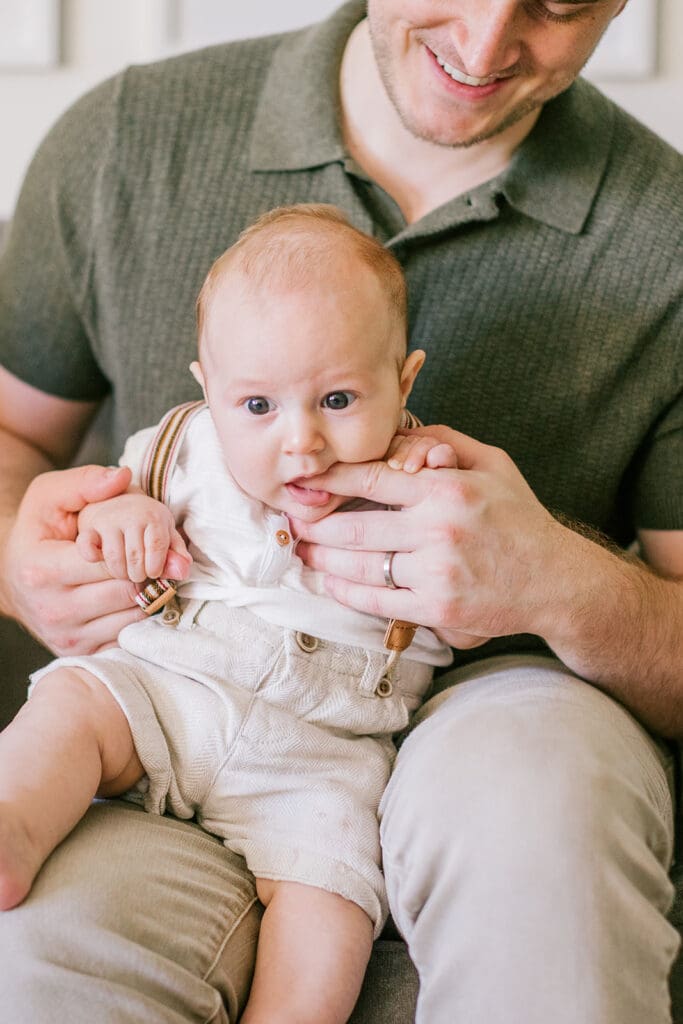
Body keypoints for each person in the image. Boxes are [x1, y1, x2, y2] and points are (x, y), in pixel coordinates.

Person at [0, 2, 680, 1022]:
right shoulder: (128, 140)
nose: (486, 41)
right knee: (44, 943)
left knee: (534, 812)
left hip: (415, 731)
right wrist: (25, 556)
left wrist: (554, 580)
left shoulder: (664, 237)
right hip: (174, 684)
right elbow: (16, 440)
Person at [0, 203, 457, 1023]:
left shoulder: (427, 488)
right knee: (71, 704)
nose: (301, 442)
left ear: (404, 380)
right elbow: (94, 523)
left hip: (317, 753)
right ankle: (11, 829)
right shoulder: (174, 451)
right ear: (207, 389)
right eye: (257, 407)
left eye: (340, 398)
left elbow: (469, 615)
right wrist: (119, 523)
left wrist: (437, 499)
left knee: (334, 899)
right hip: (166, 689)